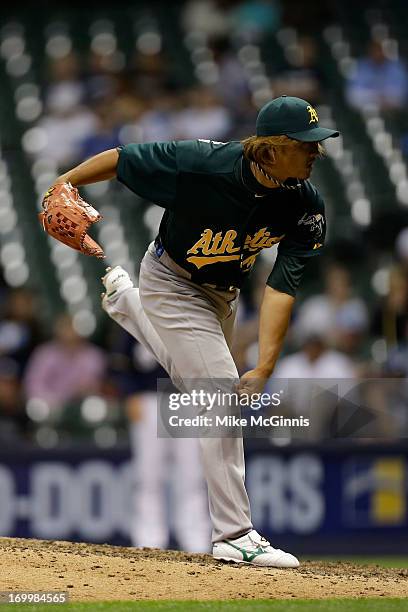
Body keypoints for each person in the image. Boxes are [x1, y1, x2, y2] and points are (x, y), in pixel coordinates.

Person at [49, 95, 339, 567]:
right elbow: (123, 159)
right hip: (170, 280)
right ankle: (235, 533)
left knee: (199, 389)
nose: (315, 152)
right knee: (219, 397)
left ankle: (127, 305)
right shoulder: (204, 163)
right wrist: (64, 182)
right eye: (304, 144)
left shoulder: (304, 203)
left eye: (316, 143)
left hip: (224, 297)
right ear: (270, 148)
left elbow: (281, 288)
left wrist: (265, 363)